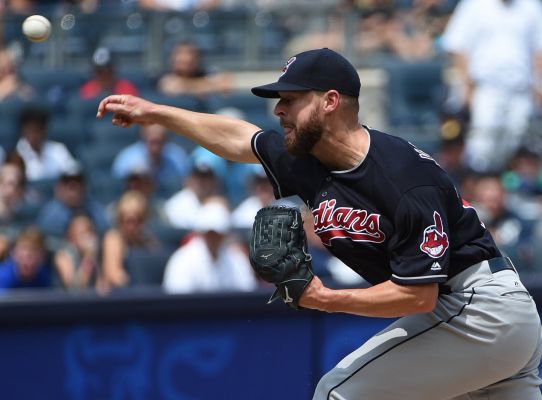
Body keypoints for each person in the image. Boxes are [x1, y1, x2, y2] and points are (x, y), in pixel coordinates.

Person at [97, 48, 542, 399]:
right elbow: (239, 139)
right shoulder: (308, 162)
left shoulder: (405, 178)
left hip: (478, 308)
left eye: (290, 100)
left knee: (337, 392)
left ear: (330, 102)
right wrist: (158, 113)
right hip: (482, 321)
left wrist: (324, 299)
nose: (279, 111)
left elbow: (418, 294)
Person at [441, 0, 542, 173]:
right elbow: (456, 46)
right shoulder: (473, 5)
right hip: (485, 89)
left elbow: (538, 50)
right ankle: (475, 191)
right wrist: (467, 86)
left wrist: (538, 86)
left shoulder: (530, 6)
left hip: (520, 89)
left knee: (513, 143)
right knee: (481, 146)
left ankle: (501, 194)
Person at [162, 197, 258, 294]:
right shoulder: (182, 260)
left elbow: (248, 296)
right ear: (200, 233)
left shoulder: (236, 259)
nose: (213, 238)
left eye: (218, 233)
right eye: (209, 233)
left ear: (225, 234)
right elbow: (179, 303)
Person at [99, 190, 161, 291]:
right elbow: (114, 275)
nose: (132, 226)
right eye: (128, 220)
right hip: (118, 298)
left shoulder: (148, 241)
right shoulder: (113, 238)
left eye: (138, 219)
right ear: (120, 219)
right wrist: (139, 285)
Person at [111, 124, 190, 197]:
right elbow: (120, 190)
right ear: (143, 139)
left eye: (160, 141)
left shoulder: (177, 157)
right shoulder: (127, 159)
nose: (156, 147)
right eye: (153, 142)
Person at [36, 163, 110, 238]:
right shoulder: (51, 214)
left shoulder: (95, 209)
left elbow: (104, 229)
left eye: (78, 183)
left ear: (85, 187)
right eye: (67, 183)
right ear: (58, 188)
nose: (73, 189)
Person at [15, 105, 79, 182]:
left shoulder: (58, 150)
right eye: (30, 130)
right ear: (23, 130)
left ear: (44, 130)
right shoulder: (16, 154)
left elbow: (73, 172)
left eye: (37, 130)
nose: (33, 135)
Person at [156, 42, 233, 98]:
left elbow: (224, 85)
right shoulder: (164, 76)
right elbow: (171, 86)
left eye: (190, 54)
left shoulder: (204, 73)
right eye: (180, 54)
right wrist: (207, 85)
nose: (185, 58)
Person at [53, 214, 99, 291]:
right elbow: (75, 288)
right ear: (71, 237)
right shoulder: (63, 255)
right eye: (82, 233)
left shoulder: (95, 252)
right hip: (66, 301)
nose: (87, 237)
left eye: (89, 232)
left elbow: (102, 287)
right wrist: (88, 256)